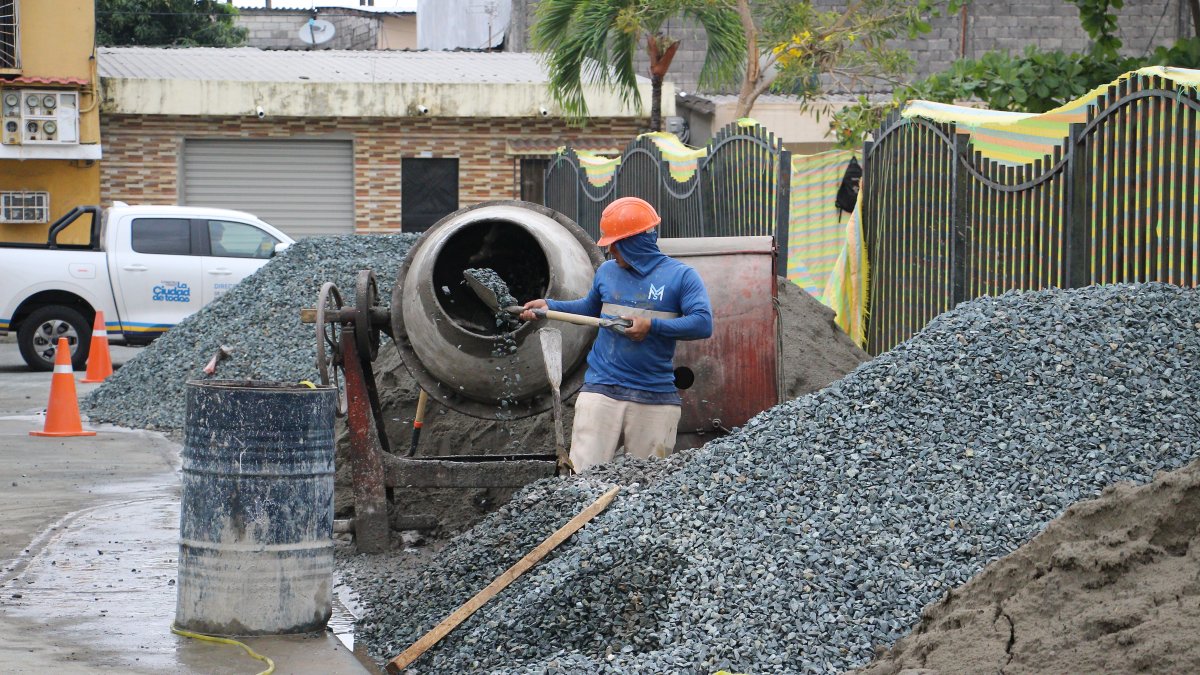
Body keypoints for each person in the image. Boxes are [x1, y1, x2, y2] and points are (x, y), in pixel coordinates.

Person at [520, 197, 712, 473]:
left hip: (654, 397)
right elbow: (589, 309)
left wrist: (651, 326)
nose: (610, 250)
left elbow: (703, 323)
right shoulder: (607, 272)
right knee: (582, 479)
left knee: (646, 488)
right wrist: (549, 306)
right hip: (602, 390)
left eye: (616, 242)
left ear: (635, 242)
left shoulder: (681, 277)